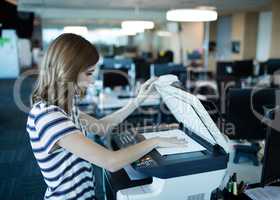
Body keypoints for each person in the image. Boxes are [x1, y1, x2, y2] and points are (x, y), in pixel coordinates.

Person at [26, 33, 187, 200]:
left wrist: (138, 100)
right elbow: (111, 162)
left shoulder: (65, 107)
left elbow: (101, 128)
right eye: (89, 73)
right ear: (68, 71)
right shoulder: (50, 117)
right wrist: (154, 141)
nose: (92, 80)